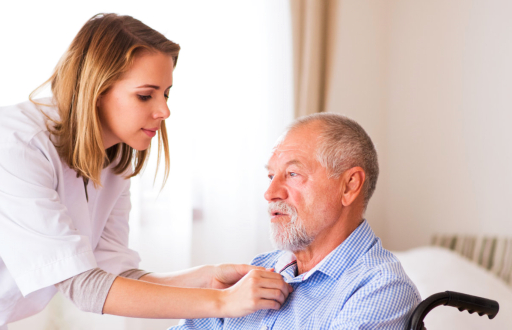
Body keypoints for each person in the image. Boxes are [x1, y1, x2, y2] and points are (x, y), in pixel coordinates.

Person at [0, 13, 290, 329]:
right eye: (147, 95)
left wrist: (207, 278)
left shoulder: (113, 162)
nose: (164, 111)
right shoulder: (10, 144)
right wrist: (223, 305)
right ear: (96, 89)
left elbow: (113, 274)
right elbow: (84, 289)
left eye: (168, 94)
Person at [175, 113, 421, 329]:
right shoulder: (256, 271)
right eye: (271, 176)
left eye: (292, 174)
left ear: (349, 186)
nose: (270, 193)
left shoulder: (382, 289)